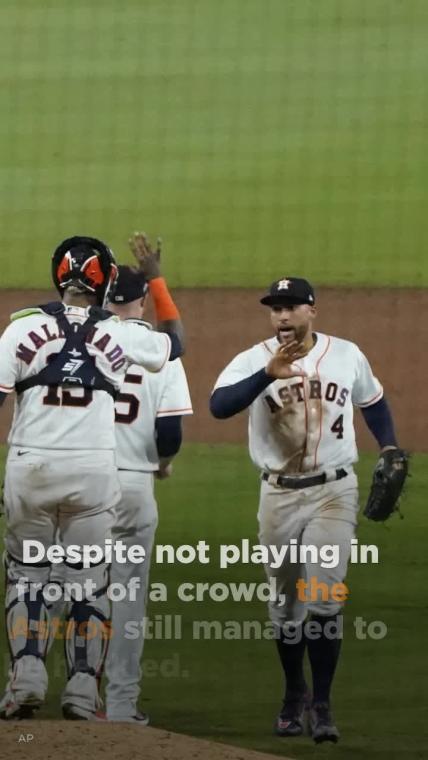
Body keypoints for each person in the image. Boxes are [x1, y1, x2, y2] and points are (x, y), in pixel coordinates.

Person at [0, 235, 184, 721]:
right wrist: (156, 278)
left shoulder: (21, 329)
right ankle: (82, 692)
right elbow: (175, 343)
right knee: (89, 583)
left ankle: (27, 679)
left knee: (28, 577)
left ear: (58, 277)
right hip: (94, 473)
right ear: (104, 282)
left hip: (30, 468)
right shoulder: (123, 332)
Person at [210, 277, 400, 744]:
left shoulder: (346, 354)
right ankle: (294, 691)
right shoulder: (252, 360)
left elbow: (372, 402)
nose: (282, 317)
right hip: (277, 496)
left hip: (334, 492)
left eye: (291, 307)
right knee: (285, 606)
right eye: (275, 309)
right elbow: (218, 406)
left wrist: (389, 444)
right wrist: (266, 375)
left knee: (323, 597)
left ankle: (323, 704)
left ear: (312, 310)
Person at [104, 233, 192, 723]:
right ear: (140, 300)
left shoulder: (78, 341)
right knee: (128, 601)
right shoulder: (161, 350)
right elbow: (170, 433)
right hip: (135, 486)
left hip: (80, 482)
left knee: (69, 590)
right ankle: (120, 705)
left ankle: (70, 692)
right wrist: (162, 461)